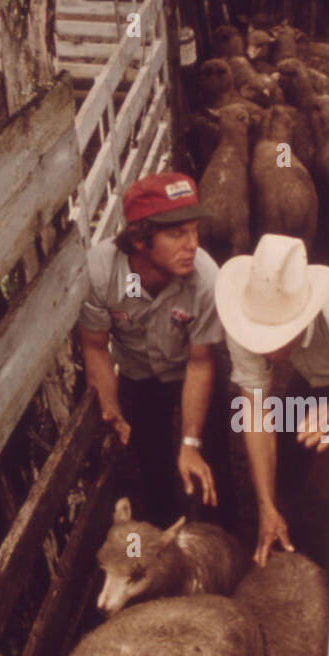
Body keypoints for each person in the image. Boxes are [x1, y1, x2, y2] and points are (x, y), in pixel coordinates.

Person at [78, 172, 232, 529]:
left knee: (211, 455)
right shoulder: (100, 273)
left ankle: (221, 535)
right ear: (140, 238)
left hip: (193, 365)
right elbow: (95, 346)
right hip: (139, 373)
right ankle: (163, 537)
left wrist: (191, 440)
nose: (192, 244)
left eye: (195, 230)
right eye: (178, 234)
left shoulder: (207, 281)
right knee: (151, 460)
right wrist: (111, 407)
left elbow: (200, 362)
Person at [214, 233, 329, 567]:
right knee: (287, 466)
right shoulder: (244, 315)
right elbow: (255, 413)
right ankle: (281, 529)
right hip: (318, 377)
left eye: (274, 337)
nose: (263, 348)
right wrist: (266, 504)